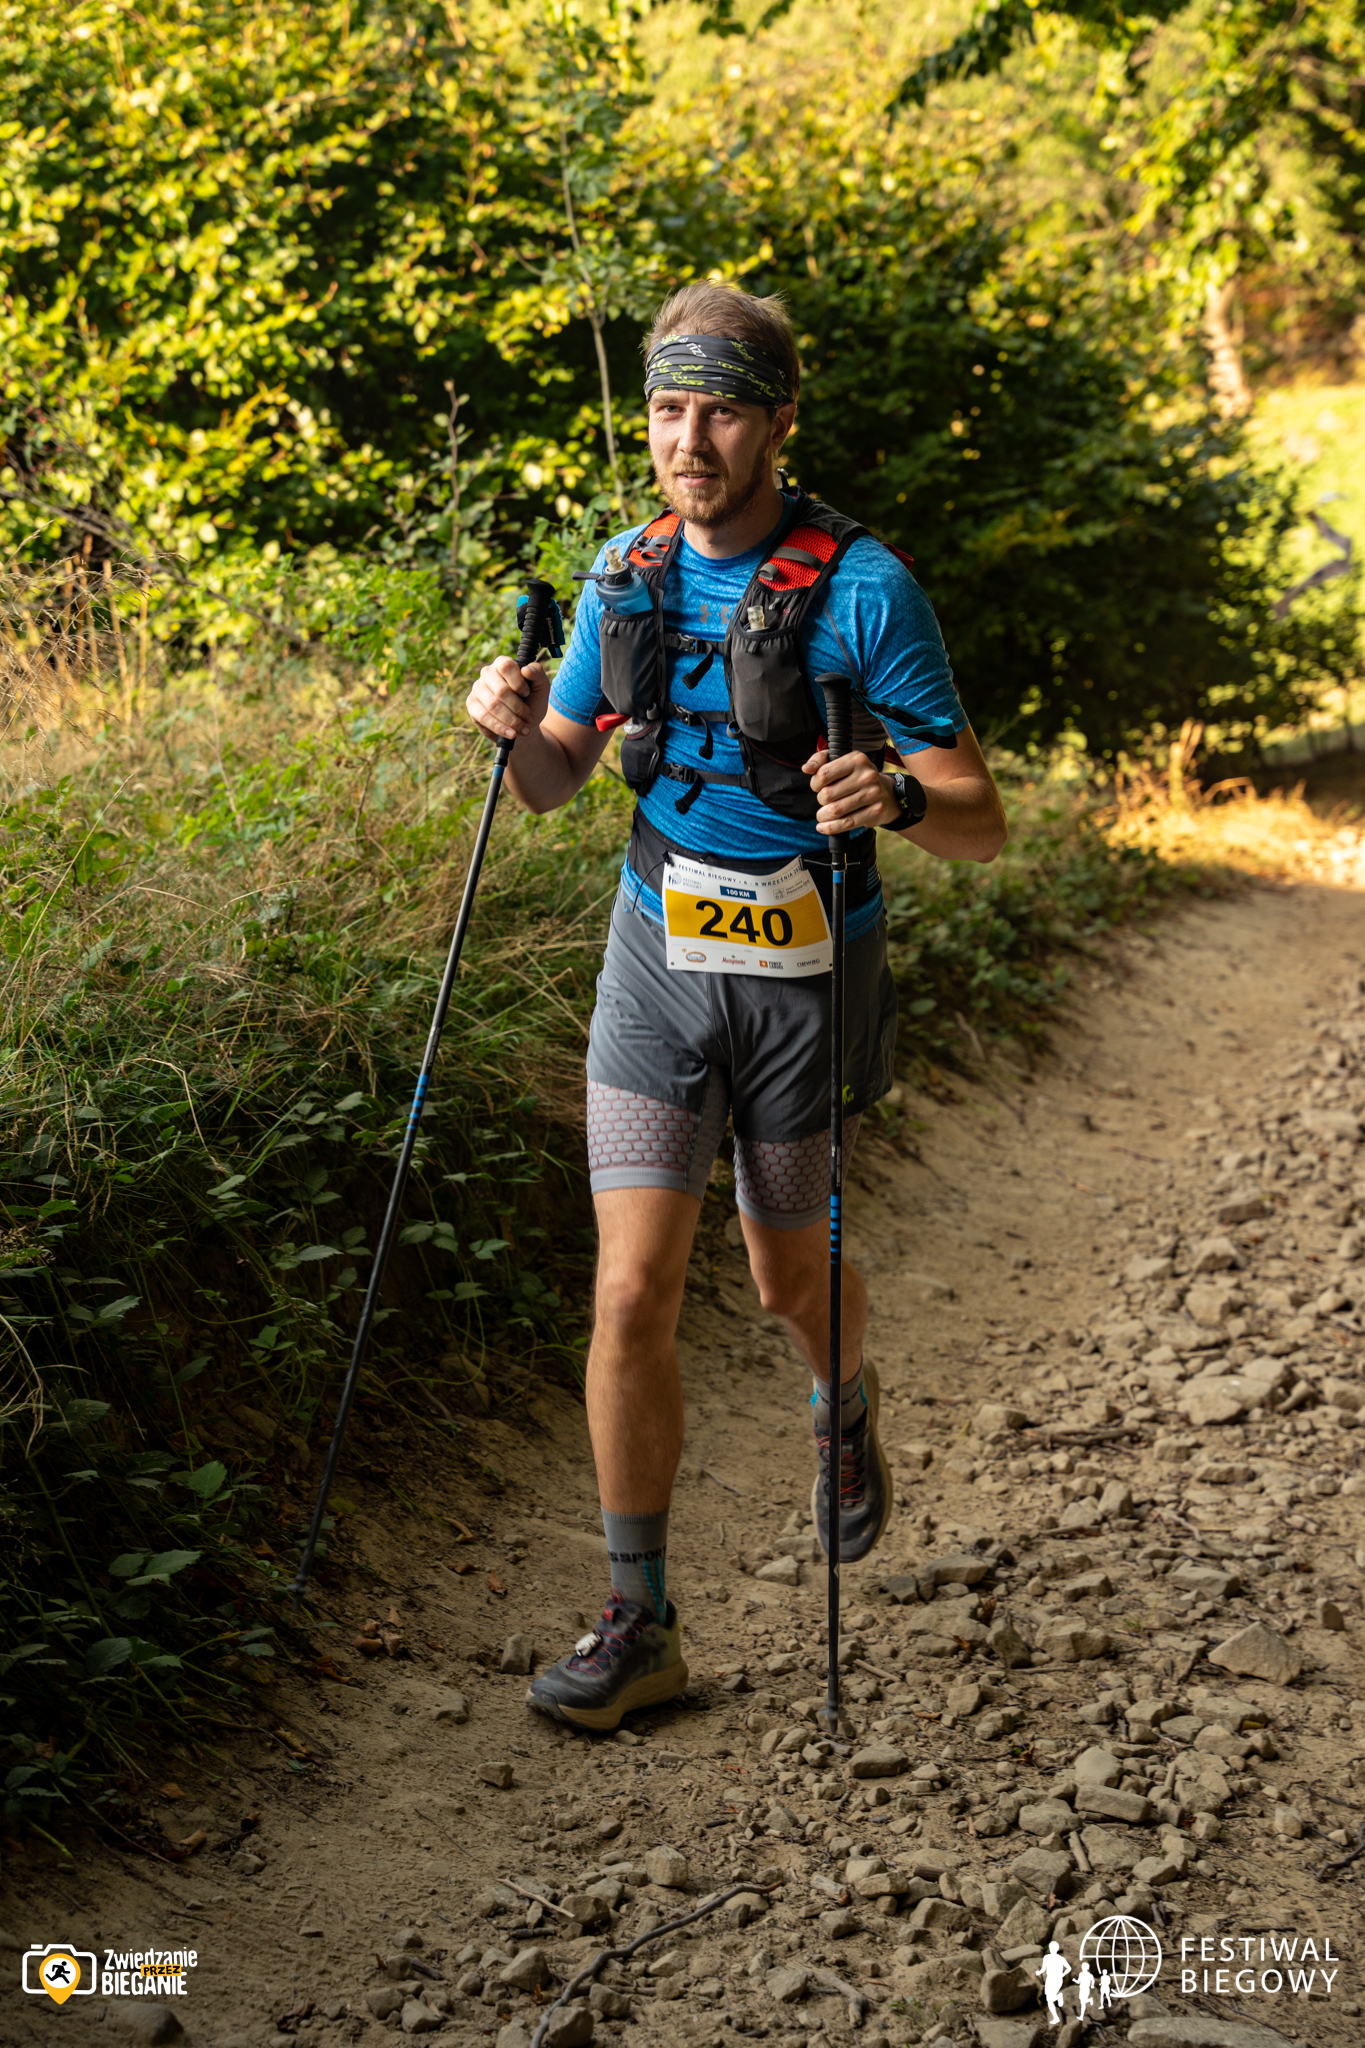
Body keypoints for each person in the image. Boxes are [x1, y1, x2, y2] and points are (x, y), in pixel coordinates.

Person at [466, 281, 1006, 1731]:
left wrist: (895, 796)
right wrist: (508, 728)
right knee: (628, 1288)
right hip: (656, 953)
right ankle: (639, 1621)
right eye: (666, 409)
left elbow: (980, 818)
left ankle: (844, 1402)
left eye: (718, 412)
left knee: (781, 1281)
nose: (688, 441)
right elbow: (556, 778)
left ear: (777, 423)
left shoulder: (866, 588)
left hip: (805, 974)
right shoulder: (625, 575)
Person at [1036, 1941, 1072, 2025]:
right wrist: (1062, 1974)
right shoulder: (1060, 1958)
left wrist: (1038, 1972)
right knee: (1050, 1999)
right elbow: (1069, 1968)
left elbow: (1043, 1969)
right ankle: (1056, 2016)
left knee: (1050, 1999)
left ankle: (1056, 2013)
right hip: (1057, 1978)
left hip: (1051, 1978)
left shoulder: (1047, 1957)